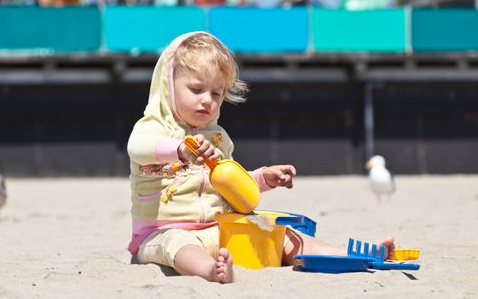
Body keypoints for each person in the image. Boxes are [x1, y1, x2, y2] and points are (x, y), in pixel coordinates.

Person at [127, 32, 395, 283]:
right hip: (160, 232)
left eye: (216, 94)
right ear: (169, 87)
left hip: (219, 227)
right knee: (178, 245)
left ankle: (349, 256)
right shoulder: (153, 127)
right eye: (196, 90)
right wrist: (179, 150)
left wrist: (262, 178)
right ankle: (210, 271)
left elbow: (231, 184)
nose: (207, 100)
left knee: (279, 233)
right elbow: (138, 147)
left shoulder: (218, 137)